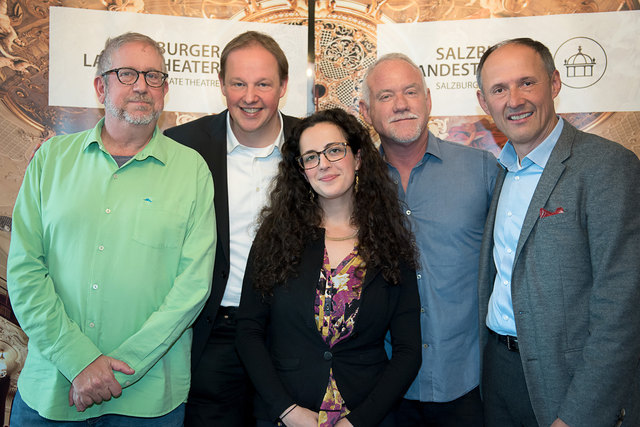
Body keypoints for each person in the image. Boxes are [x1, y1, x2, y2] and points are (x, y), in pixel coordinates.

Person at [6, 32, 215, 425]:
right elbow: (24, 271)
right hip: (51, 391)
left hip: (148, 398)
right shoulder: (51, 160)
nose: (141, 85)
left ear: (165, 89)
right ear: (101, 85)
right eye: (127, 73)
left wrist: (117, 369)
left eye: (153, 76)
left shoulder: (192, 172)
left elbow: (192, 289)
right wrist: (79, 360)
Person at [475, 37, 640, 427]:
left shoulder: (606, 167)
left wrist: (579, 415)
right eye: (499, 89)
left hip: (569, 388)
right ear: (484, 104)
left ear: (555, 83)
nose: (514, 99)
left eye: (526, 83)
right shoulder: (502, 170)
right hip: (499, 375)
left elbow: (621, 309)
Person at [235, 108, 422, 427]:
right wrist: (287, 411)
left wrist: (359, 421)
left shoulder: (390, 241)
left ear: (358, 157)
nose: (324, 164)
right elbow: (248, 331)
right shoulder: (276, 236)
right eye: (310, 157)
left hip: (367, 415)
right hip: (287, 416)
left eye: (334, 150)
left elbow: (407, 351)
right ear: (301, 170)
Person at [164, 31, 300, 426]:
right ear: (221, 84)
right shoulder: (183, 146)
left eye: (263, 84)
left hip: (290, 334)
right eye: (238, 83)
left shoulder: (312, 144)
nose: (249, 96)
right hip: (214, 334)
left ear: (284, 87)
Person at [359, 53, 498, 426]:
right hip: (384, 390)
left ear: (429, 99)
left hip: (469, 384)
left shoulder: (481, 170)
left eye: (411, 92)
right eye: (386, 96)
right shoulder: (351, 186)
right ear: (365, 110)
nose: (402, 104)